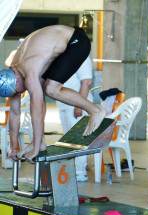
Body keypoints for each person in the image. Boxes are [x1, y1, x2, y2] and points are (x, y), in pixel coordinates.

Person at [0, 25, 106, 163]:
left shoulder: (29, 71)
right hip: (58, 43)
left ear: (16, 79)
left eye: (18, 91)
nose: (19, 93)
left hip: (75, 41)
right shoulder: (14, 73)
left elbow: (36, 112)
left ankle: (96, 111)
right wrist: (14, 147)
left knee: (51, 89)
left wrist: (36, 149)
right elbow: (14, 113)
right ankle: (41, 142)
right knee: (45, 87)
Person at [56, 56, 94, 182]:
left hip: (76, 105)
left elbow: (87, 82)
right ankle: (72, 169)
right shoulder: (62, 55)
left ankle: (80, 171)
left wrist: (79, 104)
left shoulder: (82, 56)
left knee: (79, 139)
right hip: (63, 103)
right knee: (68, 139)